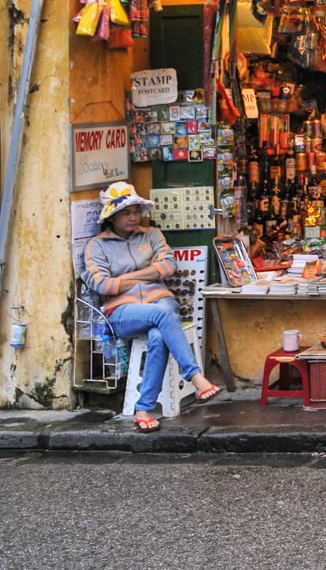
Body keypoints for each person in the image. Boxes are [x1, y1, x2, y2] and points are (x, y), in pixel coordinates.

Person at [81, 181, 221, 431]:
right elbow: (102, 285)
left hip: (160, 303)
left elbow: (168, 267)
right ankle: (196, 377)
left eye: (136, 210)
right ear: (112, 217)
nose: (134, 217)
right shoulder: (97, 246)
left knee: (158, 335)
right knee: (161, 314)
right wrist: (148, 273)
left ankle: (143, 408)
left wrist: (125, 278)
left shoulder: (152, 235)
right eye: (126, 212)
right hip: (124, 313)